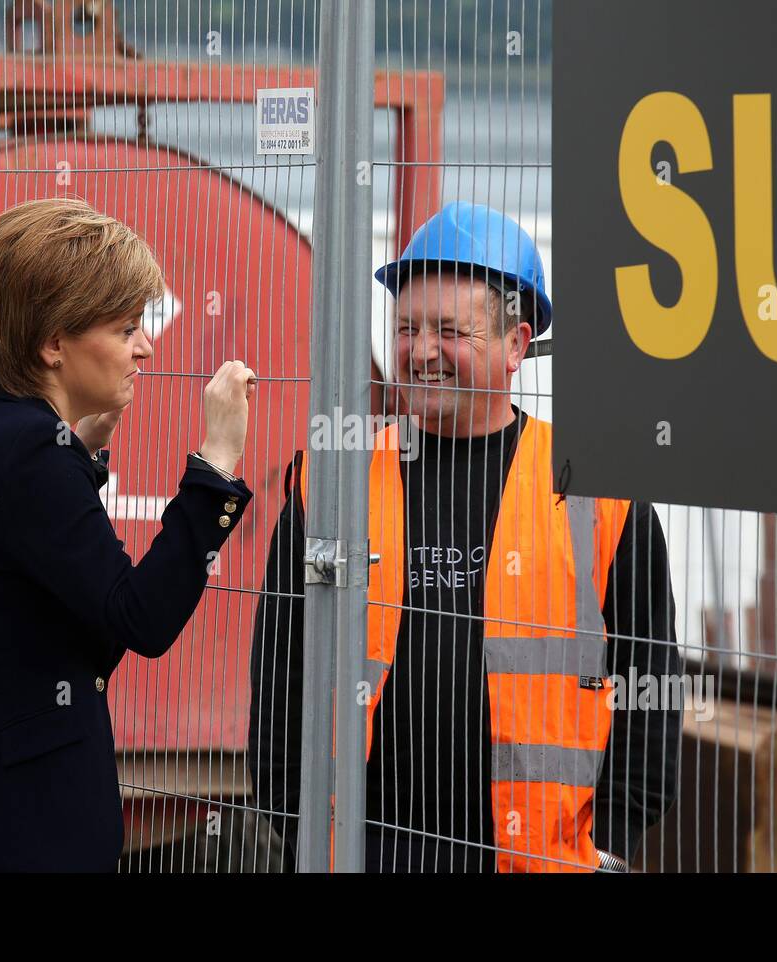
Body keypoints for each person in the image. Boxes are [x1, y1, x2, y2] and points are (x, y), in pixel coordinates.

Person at [248, 202, 681, 872]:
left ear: (516, 344)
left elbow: (650, 680)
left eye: (449, 331)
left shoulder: (599, 494)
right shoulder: (334, 483)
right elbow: (281, 663)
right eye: (405, 329)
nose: (420, 352)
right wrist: (294, 819)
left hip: (538, 857)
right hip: (360, 849)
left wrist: (614, 839)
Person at [0, 198, 256, 872]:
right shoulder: (31, 456)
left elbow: (44, 601)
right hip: (10, 832)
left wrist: (84, 459)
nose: (146, 346)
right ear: (52, 343)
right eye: (126, 326)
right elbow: (140, 618)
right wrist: (215, 466)